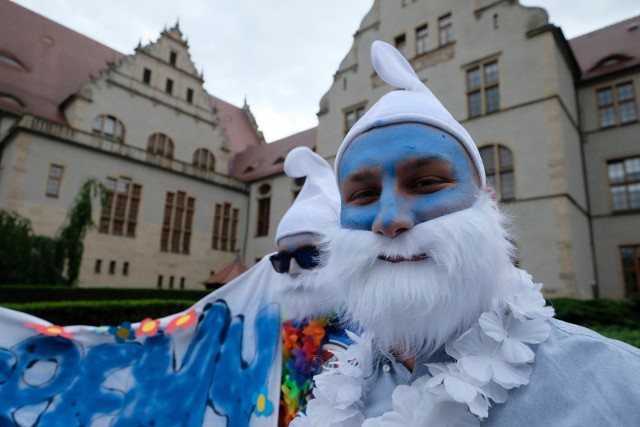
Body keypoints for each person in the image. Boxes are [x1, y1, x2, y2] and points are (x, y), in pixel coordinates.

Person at [293, 41, 640, 426]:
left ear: (487, 201)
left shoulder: (619, 385)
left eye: (426, 183)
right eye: (363, 195)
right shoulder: (333, 380)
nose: (389, 219)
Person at [271, 146, 350, 426]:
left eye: (308, 255)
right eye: (282, 259)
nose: (291, 270)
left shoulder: (377, 329)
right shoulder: (282, 327)